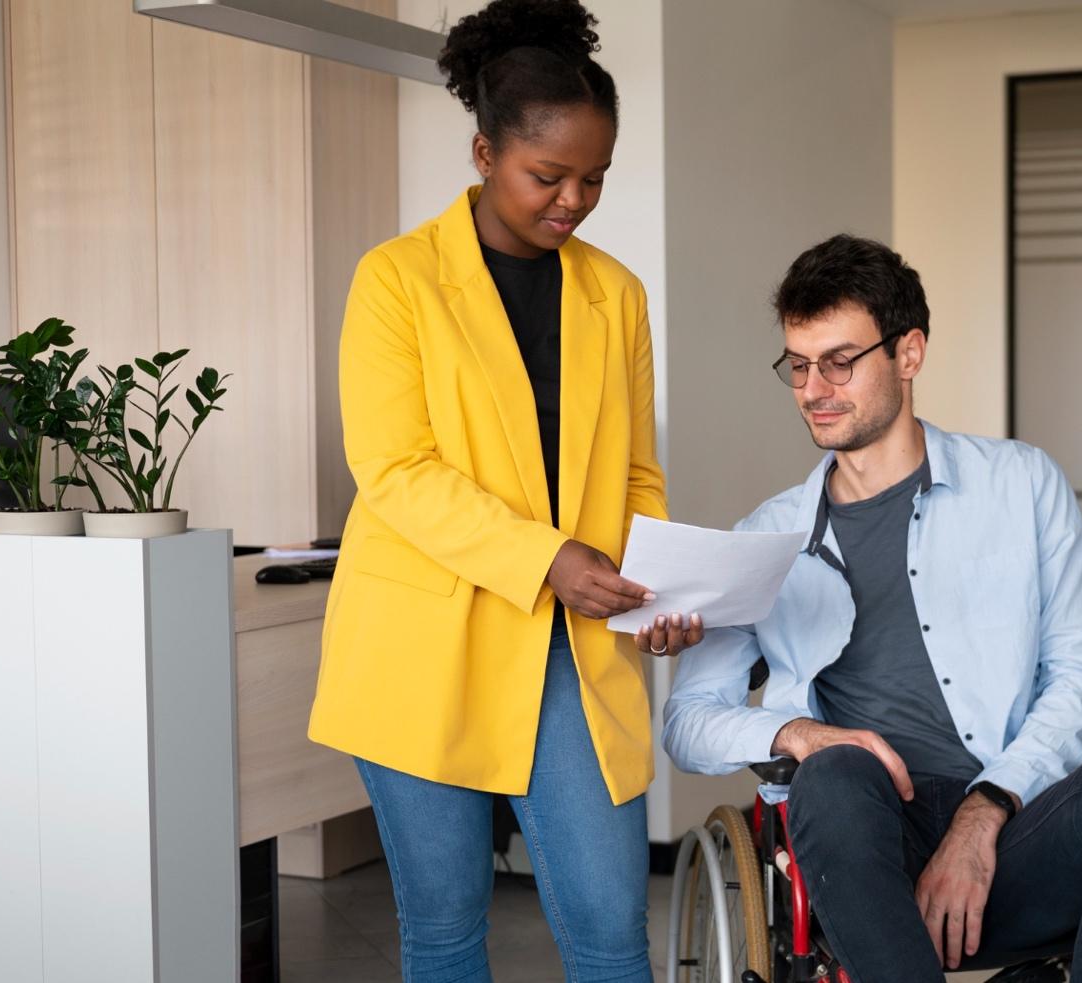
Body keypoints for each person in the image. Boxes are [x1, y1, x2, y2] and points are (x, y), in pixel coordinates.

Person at [662, 235, 1082, 982]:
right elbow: (687, 721)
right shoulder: (766, 539)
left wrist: (984, 812)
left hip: (1013, 822)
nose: (814, 387)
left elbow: (1079, 675)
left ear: (908, 353)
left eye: (840, 360)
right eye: (798, 363)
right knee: (832, 773)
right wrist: (797, 732)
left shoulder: (1020, 484)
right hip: (865, 845)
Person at [308, 2, 702, 979]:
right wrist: (548, 557)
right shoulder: (395, 279)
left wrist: (655, 585)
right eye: (549, 175)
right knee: (443, 933)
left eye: (595, 178)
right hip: (423, 644)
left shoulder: (617, 294)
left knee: (612, 934)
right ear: (484, 152)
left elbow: (635, 472)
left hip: (568, 643)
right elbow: (395, 469)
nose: (573, 199)